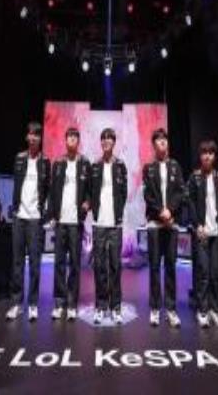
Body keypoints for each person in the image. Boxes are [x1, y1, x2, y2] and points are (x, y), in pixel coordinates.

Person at [187, 140, 218, 329]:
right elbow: (189, 203)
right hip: (202, 233)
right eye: (204, 153)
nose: (207, 156)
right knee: (204, 273)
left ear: (214, 156)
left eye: (210, 153)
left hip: (217, 232)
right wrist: (196, 225)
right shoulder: (194, 177)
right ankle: (202, 310)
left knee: (215, 273)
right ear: (200, 156)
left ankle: (215, 310)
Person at [6, 121, 51, 322]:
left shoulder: (45, 162)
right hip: (19, 216)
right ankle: (16, 303)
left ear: (40, 139)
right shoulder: (19, 158)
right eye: (31, 134)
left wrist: (45, 213)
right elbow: (17, 185)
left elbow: (48, 190)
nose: (33, 138)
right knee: (17, 262)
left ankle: (33, 304)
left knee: (34, 263)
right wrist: (15, 208)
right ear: (27, 137)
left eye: (37, 135)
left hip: (35, 219)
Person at [142, 128, 185, 328]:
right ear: (154, 145)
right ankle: (154, 308)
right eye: (158, 140)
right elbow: (148, 195)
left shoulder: (175, 166)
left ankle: (171, 309)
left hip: (171, 224)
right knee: (154, 268)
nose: (162, 142)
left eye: (164, 139)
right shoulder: (148, 168)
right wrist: (161, 211)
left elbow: (181, 192)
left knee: (170, 267)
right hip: (155, 224)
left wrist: (171, 211)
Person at [49, 127, 91, 321]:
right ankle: (59, 303)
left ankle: (72, 303)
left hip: (76, 222)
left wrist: (88, 202)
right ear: (65, 141)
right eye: (69, 137)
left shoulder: (85, 163)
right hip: (60, 221)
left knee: (74, 263)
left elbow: (90, 189)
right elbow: (52, 192)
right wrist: (52, 215)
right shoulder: (58, 163)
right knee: (59, 263)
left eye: (75, 137)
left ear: (78, 141)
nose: (72, 140)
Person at [90, 128, 128, 325]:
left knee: (115, 266)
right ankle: (100, 306)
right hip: (98, 224)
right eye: (103, 139)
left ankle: (116, 307)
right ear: (101, 143)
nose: (106, 141)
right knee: (99, 267)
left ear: (114, 142)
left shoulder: (120, 166)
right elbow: (90, 191)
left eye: (109, 139)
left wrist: (119, 214)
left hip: (115, 225)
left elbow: (124, 193)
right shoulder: (94, 166)